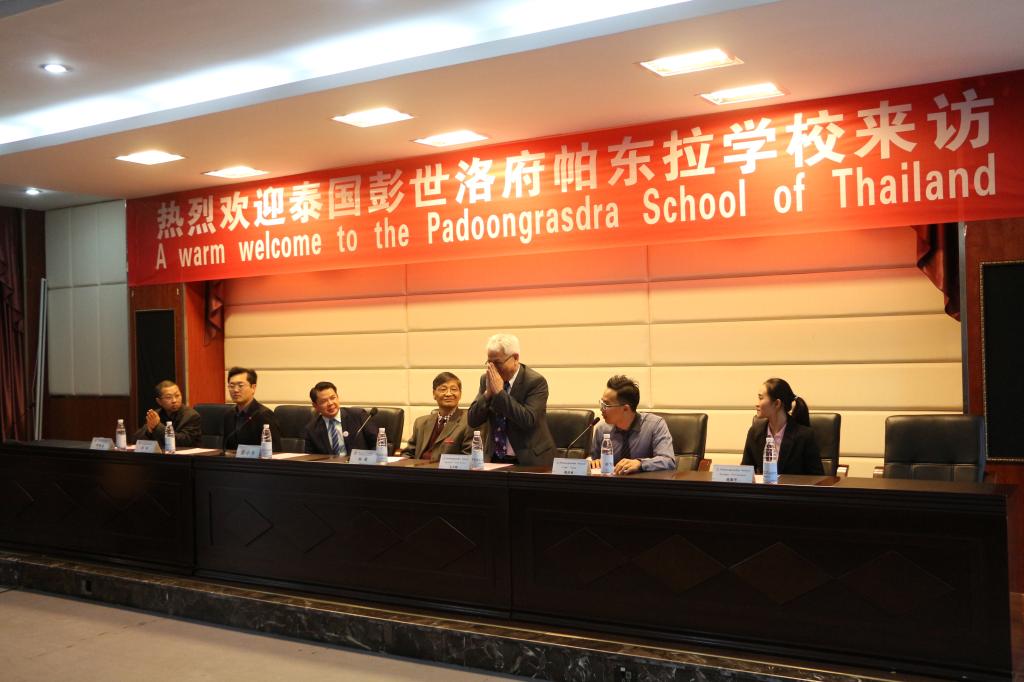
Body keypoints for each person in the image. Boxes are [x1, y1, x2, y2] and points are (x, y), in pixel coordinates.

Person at [467, 333, 556, 467]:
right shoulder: (486, 379)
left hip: (529, 459)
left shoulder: (535, 382)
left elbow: (528, 420)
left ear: (515, 358)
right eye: (489, 362)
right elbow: (472, 420)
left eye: (497, 363)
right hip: (495, 458)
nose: (492, 368)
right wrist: (487, 394)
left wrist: (500, 393)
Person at [588, 375, 675, 474]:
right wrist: (594, 462)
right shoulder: (602, 429)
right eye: (601, 403)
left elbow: (668, 461)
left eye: (606, 405)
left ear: (625, 409)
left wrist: (640, 463)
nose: (601, 409)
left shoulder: (655, 425)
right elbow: (593, 460)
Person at [741, 377, 824, 475]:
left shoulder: (805, 436)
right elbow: (744, 473)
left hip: (793, 486)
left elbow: (817, 478)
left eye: (761, 398)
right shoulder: (754, 432)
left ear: (777, 403)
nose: (757, 404)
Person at [401, 372, 475, 461]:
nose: (448, 394)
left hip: (447, 469)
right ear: (434, 394)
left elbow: (468, 457)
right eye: (443, 389)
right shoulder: (420, 423)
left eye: (454, 389)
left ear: (460, 394)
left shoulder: (470, 421)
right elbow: (408, 453)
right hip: (418, 468)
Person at [303, 381, 372, 456]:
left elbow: (377, 444)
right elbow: (310, 458)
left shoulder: (358, 416)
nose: (330, 403)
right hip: (329, 463)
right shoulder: (311, 429)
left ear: (338, 397)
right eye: (324, 401)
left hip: (359, 462)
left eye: (333, 398)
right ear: (315, 406)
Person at [222, 367, 282, 452]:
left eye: (240, 386)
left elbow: (275, 451)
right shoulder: (228, 415)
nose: (235, 390)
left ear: (253, 388)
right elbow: (226, 449)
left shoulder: (264, 415)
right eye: (231, 386)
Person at [132, 380, 201, 447]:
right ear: (159, 401)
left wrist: (157, 426)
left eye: (177, 395)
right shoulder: (156, 415)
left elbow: (183, 441)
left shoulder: (191, 416)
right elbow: (135, 440)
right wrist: (149, 431)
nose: (174, 400)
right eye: (168, 397)